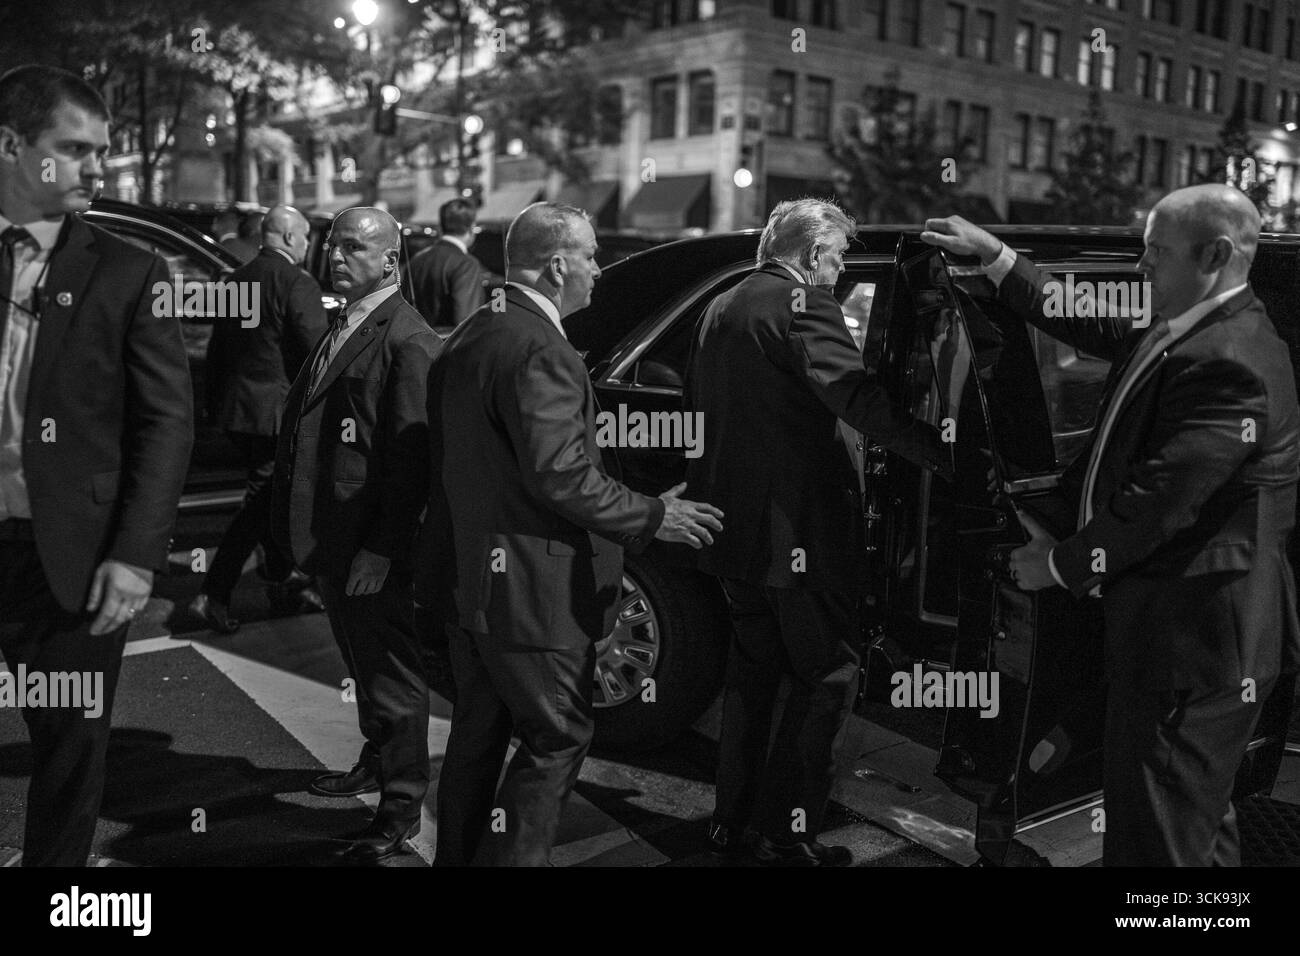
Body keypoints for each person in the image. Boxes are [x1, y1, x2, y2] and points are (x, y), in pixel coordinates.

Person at [922, 184, 1300, 866]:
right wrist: (1002, 259)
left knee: (1153, 839)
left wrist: (1061, 564)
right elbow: (1088, 316)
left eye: (1156, 250)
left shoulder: (1231, 361)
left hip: (1196, 644)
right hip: (1195, 633)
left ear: (1215, 254)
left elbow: (1163, 500)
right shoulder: (1184, 323)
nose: (1141, 267)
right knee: (1195, 825)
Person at [415, 202, 723, 866]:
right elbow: (561, 477)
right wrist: (653, 514)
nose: (597, 270)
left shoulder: (474, 332)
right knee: (557, 739)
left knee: (478, 735)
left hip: (473, 583)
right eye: (589, 256)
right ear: (556, 266)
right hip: (533, 590)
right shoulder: (540, 349)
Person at [685, 198, 950, 866]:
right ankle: (787, 831)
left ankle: (732, 820)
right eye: (835, 257)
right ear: (810, 254)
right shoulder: (805, 305)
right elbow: (854, 396)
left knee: (751, 678)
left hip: (733, 533)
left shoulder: (723, 304)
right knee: (828, 677)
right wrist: (949, 454)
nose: (838, 270)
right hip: (795, 534)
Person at [0, 65, 193, 866]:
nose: (96, 167)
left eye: (101, 151)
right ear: (11, 147)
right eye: (74, 149)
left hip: (70, 558)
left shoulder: (129, 271)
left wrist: (134, 555)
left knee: (70, 748)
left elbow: (166, 423)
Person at [271, 206, 440, 863]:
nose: (335, 256)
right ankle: (376, 763)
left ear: (390, 260)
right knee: (365, 666)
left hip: (370, 548)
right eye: (332, 244)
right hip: (330, 540)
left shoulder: (409, 338)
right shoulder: (348, 317)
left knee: (393, 678)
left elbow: (415, 460)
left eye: (354, 247)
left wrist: (384, 546)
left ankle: (400, 812)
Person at [191, 204, 328, 633]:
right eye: (305, 237)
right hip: (275, 411)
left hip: (238, 410)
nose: (308, 245)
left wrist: (215, 406)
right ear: (288, 237)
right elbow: (316, 354)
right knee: (263, 499)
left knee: (270, 495)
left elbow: (219, 350)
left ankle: (281, 579)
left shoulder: (237, 281)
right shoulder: (296, 282)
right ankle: (215, 590)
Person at [407, 197, 485, 332]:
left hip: (419, 345)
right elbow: (466, 324)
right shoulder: (466, 264)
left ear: (441, 226)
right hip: (449, 349)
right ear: (472, 227)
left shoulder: (417, 260)